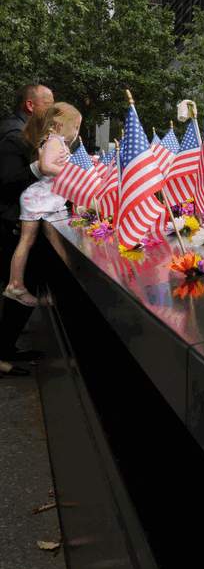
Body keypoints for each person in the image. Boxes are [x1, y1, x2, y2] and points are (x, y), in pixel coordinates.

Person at [0, 87, 66, 375]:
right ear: (30, 105)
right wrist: (41, 168)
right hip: (11, 227)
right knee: (17, 293)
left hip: (19, 223)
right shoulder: (13, 135)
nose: (54, 109)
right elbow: (6, 183)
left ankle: (6, 347)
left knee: (21, 295)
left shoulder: (27, 133)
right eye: (49, 104)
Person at [4, 103, 79, 307]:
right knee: (27, 241)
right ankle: (16, 285)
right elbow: (46, 167)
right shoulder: (54, 140)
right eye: (74, 126)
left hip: (42, 199)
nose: (75, 132)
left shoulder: (55, 141)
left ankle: (19, 284)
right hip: (38, 200)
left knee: (29, 241)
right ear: (61, 123)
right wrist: (70, 173)